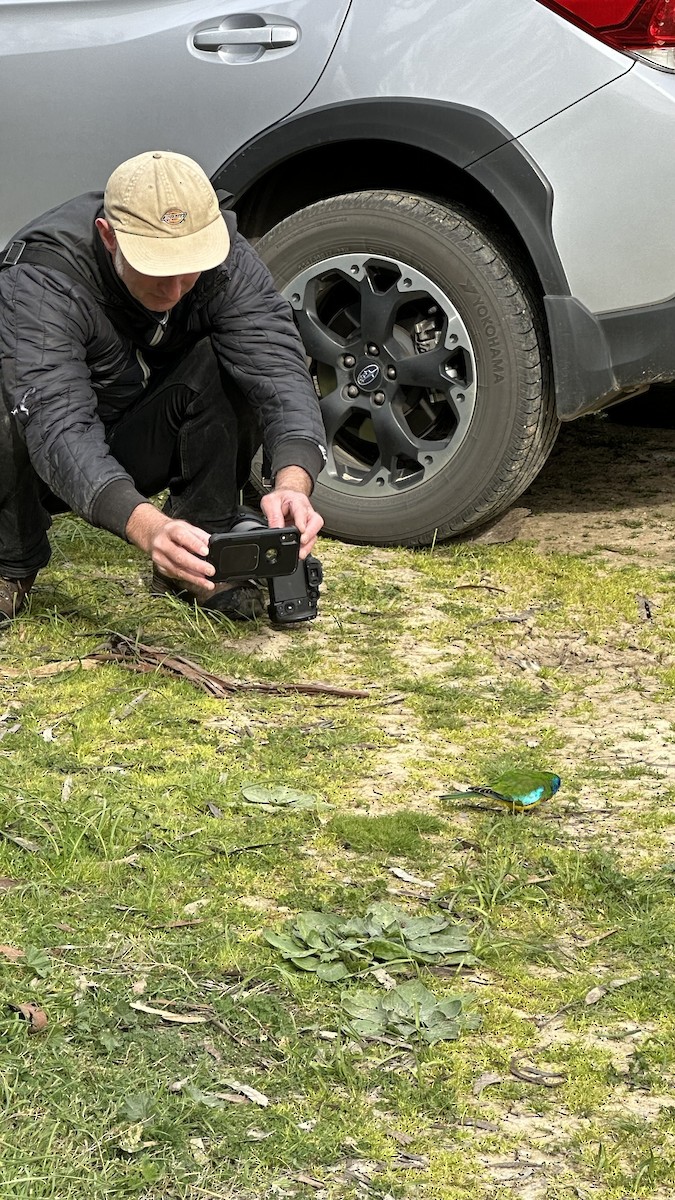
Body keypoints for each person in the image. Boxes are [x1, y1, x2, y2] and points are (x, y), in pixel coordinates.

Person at [0, 150, 326, 623]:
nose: (175, 289)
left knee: (231, 361)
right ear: (108, 238)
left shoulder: (224, 255)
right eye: (157, 267)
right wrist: (146, 526)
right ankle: (11, 562)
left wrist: (294, 480)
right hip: (40, 449)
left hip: (138, 428)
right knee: (10, 398)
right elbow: (56, 424)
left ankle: (194, 553)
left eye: (188, 266)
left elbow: (277, 367)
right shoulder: (42, 278)